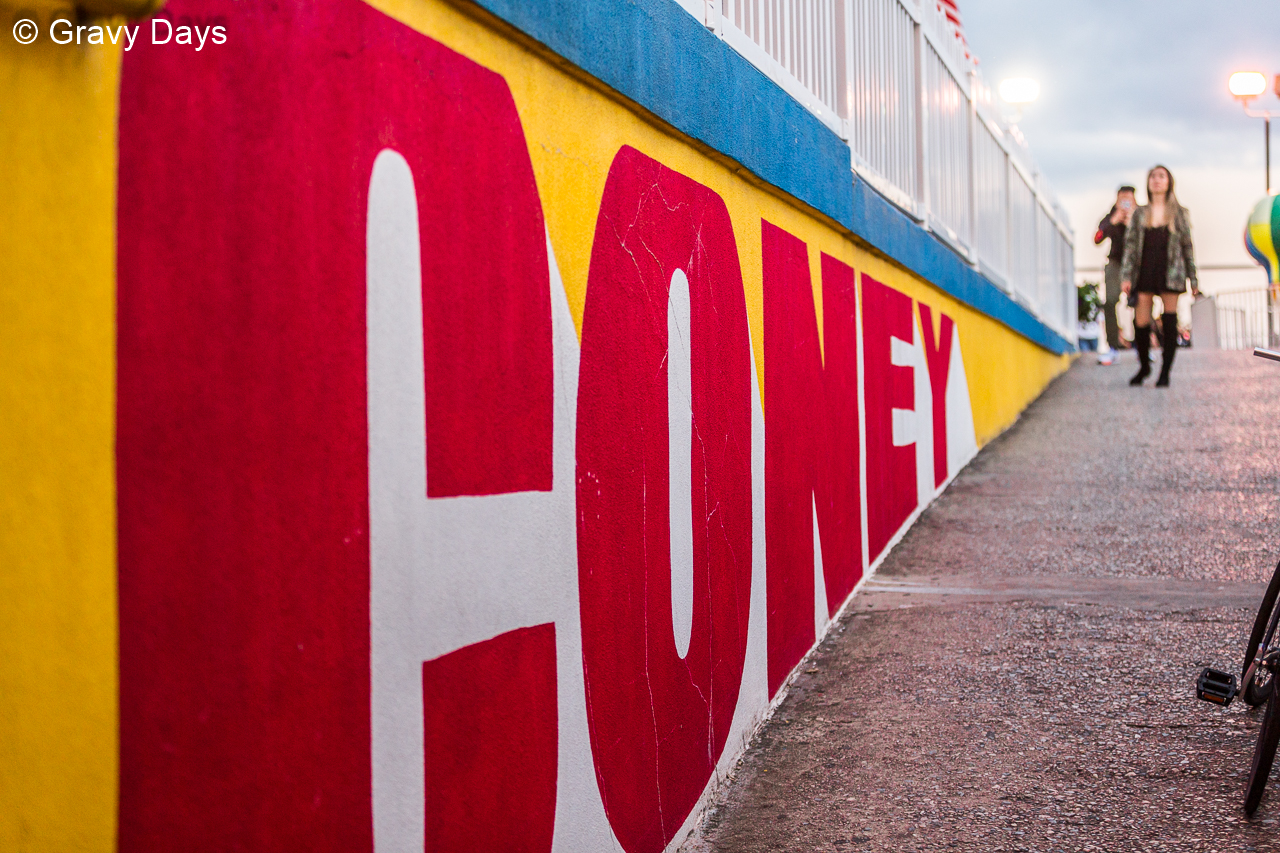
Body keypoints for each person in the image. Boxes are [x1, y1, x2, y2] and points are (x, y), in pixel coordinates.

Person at [1120, 165, 1199, 387]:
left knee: (1169, 321)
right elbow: (1130, 247)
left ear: (1169, 181)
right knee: (1141, 321)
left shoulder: (1179, 213)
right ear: (1148, 182)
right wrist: (1126, 276)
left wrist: (1193, 280)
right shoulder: (1139, 213)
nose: (1157, 180)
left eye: (1161, 176)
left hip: (1171, 272)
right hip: (1145, 270)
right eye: (1153, 176)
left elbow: (1187, 247)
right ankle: (1144, 366)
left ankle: (1165, 372)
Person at [1094, 185, 1137, 352]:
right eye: (1122, 198)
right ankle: (1113, 343)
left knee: (1141, 301)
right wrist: (1114, 221)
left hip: (1136, 264)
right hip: (1115, 263)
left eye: (1129, 198)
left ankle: (1142, 343)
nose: (1126, 202)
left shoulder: (1140, 214)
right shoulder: (1111, 216)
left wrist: (1133, 222)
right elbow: (1097, 238)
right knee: (1111, 300)